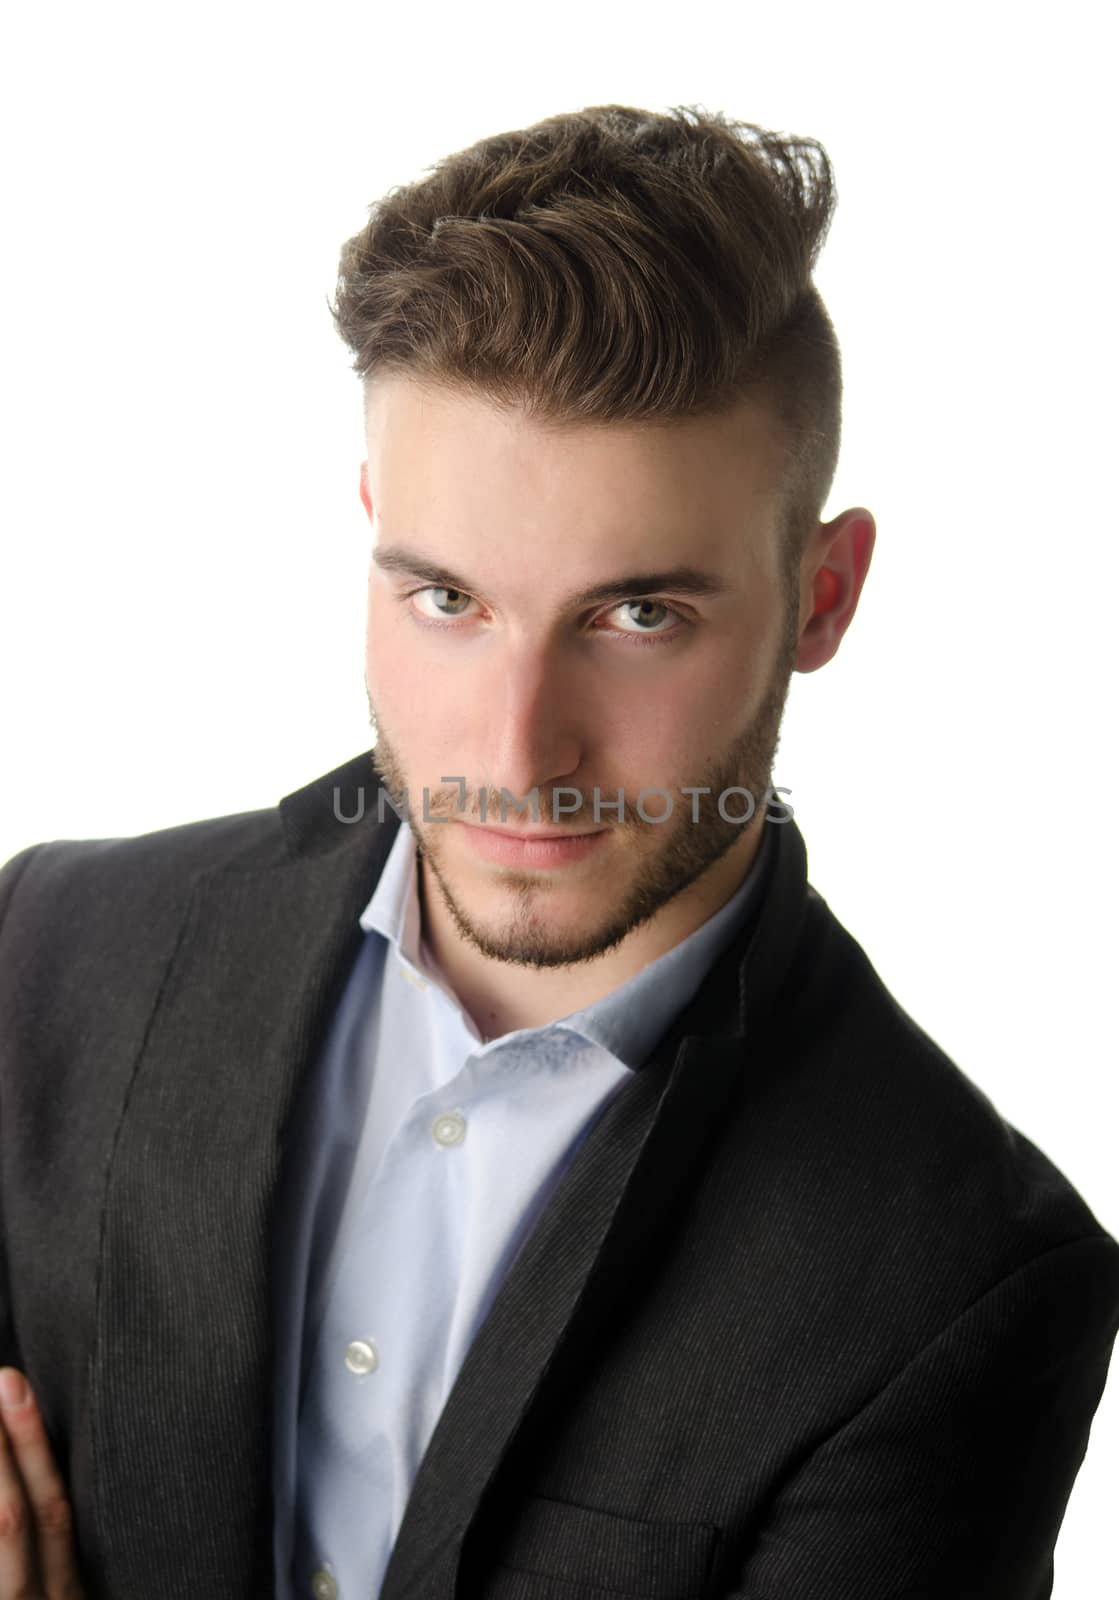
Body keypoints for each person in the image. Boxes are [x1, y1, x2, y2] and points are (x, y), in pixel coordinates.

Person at [0, 102, 1115, 1600]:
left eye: (637, 614)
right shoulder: (56, 953)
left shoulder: (957, 1286)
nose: (517, 752)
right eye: (447, 599)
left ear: (823, 597)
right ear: (371, 534)